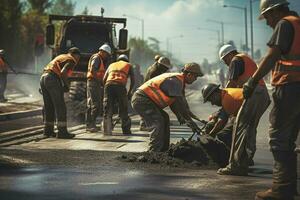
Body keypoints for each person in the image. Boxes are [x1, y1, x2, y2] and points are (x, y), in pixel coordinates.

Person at [243, 0, 300, 199]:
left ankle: (282, 189)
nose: (267, 23)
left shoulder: (285, 24)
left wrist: (253, 80)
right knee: (290, 140)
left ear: (275, 11)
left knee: (280, 139)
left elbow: (272, 56)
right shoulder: (298, 23)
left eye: (267, 17)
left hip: (290, 87)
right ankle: (289, 187)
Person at [208, 44, 270, 165]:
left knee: (240, 128)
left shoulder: (235, 60)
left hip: (254, 93)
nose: (226, 63)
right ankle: (247, 159)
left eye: (225, 59)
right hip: (262, 94)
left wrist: (223, 99)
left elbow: (231, 83)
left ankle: (237, 164)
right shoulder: (244, 59)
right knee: (249, 128)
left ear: (230, 54)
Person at [132, 63, 203, 152]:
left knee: (165, 117)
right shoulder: (176, 81)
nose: (195, 79)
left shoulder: (178, 81)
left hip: (147, 101)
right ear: (189, 74)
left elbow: (172, 102)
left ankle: (163, 150)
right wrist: (191, 122)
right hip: (142, 100)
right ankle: (154, 151)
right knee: (158, 121)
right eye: (195, 77)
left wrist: (179, 116)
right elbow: (179, 104)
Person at [202, 83, 269, 176]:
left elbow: (221, 122)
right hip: (260, 95)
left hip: (254, 97)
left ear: (216, 93)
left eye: (211, 99)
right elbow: (224, 115)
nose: (212, 103)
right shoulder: (227, 93)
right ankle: (244, 161)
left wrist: (210, 134)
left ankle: (237, 166)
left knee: (241, 132)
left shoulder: (227, 100)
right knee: (245, 129)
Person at [40, 47, 81, 138]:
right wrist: (66, 86)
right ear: (75, 55)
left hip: (43, 77)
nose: (78, 60)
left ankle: (48, 131)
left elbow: (51, 68)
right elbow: (63, 72)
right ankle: (62, 132)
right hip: (52, 78)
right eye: (78, 57)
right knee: (60, 106)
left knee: (49, 106)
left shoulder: (61, 56)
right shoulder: (71, 60)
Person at [102, 54, 135, 135]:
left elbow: (104, 79)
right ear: (126, 60)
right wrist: (129, 92)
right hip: (120, 86)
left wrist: (105, 89)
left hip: (108, 85)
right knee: (123, 108)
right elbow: (133, 80)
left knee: (107, 108)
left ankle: (107, 130)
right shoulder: (128, 65)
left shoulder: (112, 65)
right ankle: (126, 130)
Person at [140, 56, 172, 131]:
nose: (165, 70)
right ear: (160, 65)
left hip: (148, 90)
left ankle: (145, 124)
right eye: (165, 68)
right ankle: (144, 124)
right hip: (148, 91)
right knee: (149, 108)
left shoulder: (154, 68)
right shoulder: (154, 72)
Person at [86, 44, 111, 132]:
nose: (106, 57)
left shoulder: (99, 59)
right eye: (106, 54)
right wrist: (99, 81)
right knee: (95, 104)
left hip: (93, 82)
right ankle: (91, 125)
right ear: (102, 52)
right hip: (93, 82)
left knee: (91, 103)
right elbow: (93, 70)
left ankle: (89, 124)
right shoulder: (97, 58)